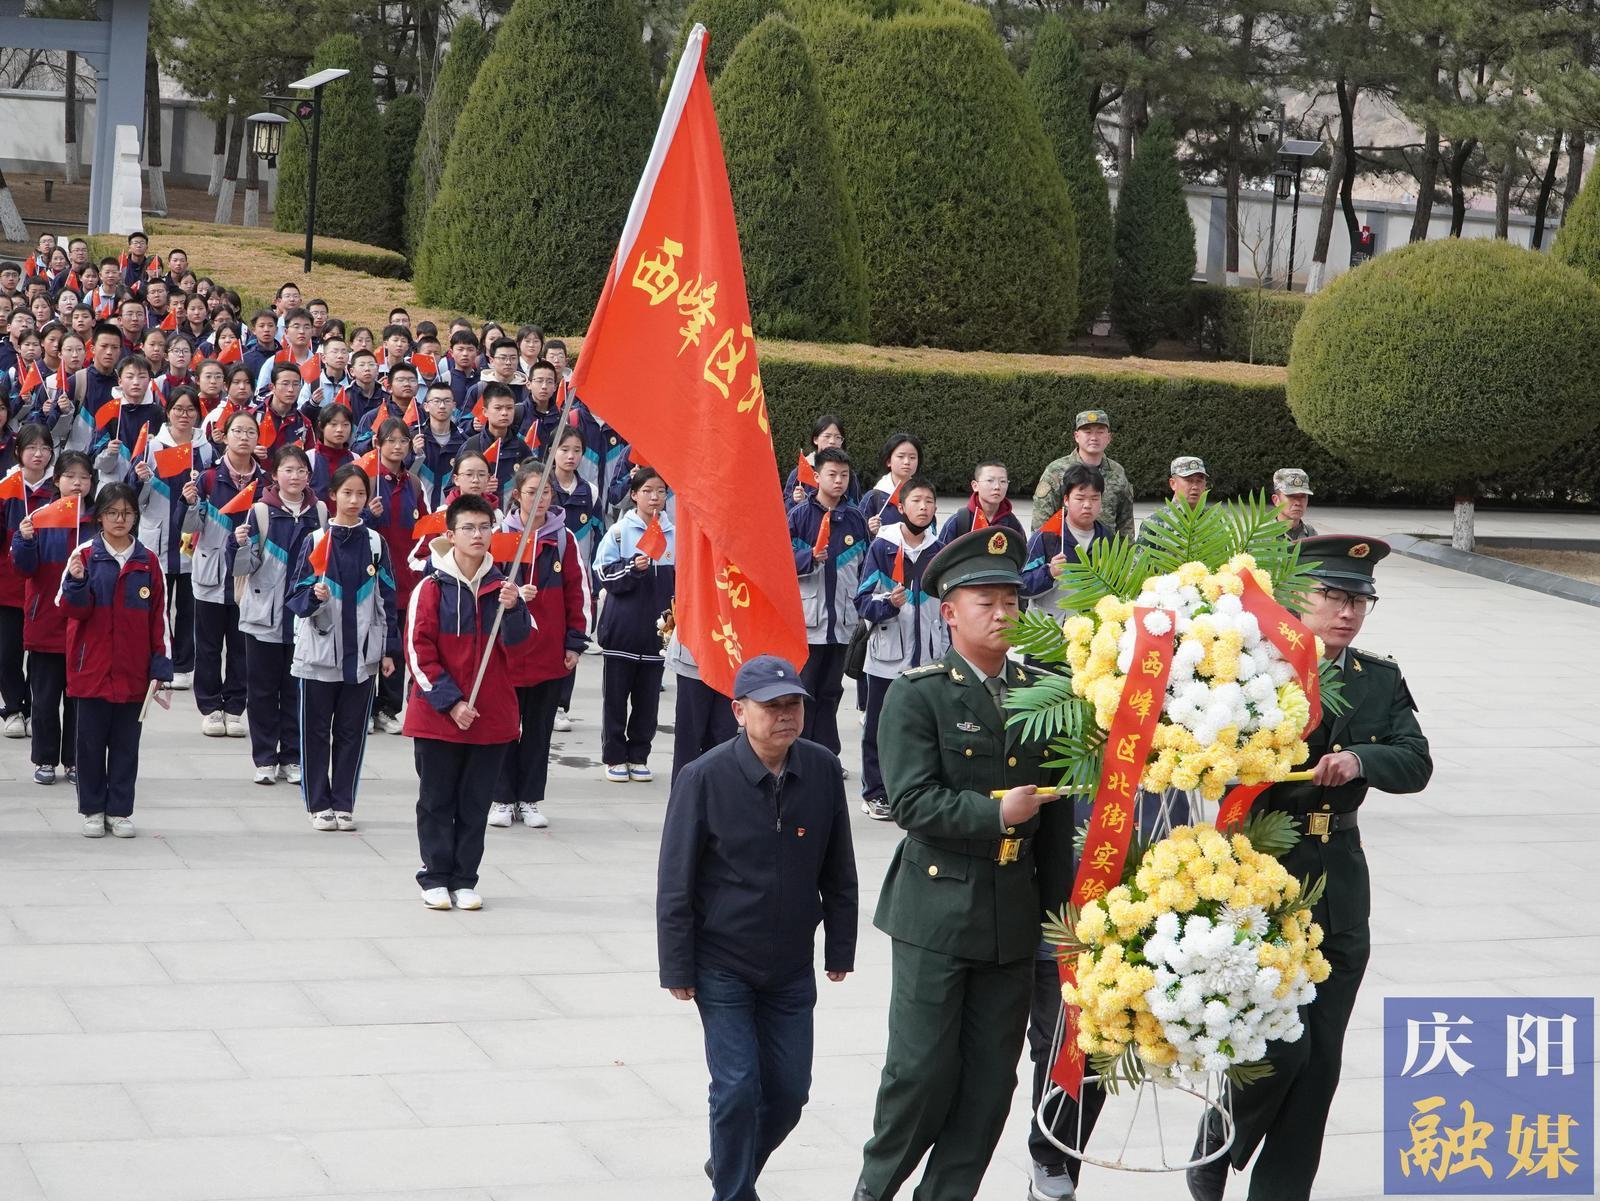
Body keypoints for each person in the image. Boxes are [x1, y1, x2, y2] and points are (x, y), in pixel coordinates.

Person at [1188, 536, 1432, 1201]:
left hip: (1341, 879)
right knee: (1279, 1045)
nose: (1346, 612)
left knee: (1321, 1060)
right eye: (1332, 596)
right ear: (1300, 598)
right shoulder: (1258, 669)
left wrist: (1360, 761)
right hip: (1269, 871)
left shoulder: (1378, 678)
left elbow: (1416, 761)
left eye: (1359, 600)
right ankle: (1221, 1136)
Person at [853, 527, 1074, 1201]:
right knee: (918, 1073)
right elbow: (912, 801)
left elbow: (1056, 820)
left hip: (1013, 916)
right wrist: (995, 813)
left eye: (1012, 600)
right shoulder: (919, 693)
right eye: (987, 601)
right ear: (949, 612)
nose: (1004, 613)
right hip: (938, 912)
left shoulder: (1045, 692)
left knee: (989, 1084)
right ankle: (874, 1191)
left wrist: (1063, 922)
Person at [657, 654, 858, 1201]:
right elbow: (675, 881)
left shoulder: (820, 769)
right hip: (722, 963)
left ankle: (729, 1162)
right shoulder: (703, 778)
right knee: (736, 1088)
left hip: (790, 966)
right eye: (772, 707)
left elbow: (839, 866)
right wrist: (676, 965)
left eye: (794, 704)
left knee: (789, 1095)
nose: (786, 716)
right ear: (739, 712)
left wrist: (840, 946)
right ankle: (734, 1190)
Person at [405, 492, 533, 910]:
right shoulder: (430, 588)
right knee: (437, 799)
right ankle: (434, 876)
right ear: (451, 534)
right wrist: (452, 702)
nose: (477, 535)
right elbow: (418, 653)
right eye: (468, 528)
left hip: (491, 716)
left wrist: (514, 611)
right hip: (439, 717)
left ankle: (465, 878)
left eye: (484, 527)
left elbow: (522, 647)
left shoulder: (505, 589)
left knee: (475, 803)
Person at [285, 464, 399, 832]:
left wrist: (389, 650)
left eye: (360, 493)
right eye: (347, 493)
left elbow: (388, 599)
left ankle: (344, 803)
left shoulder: (376, 544)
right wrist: (314, 596)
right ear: (333, 495)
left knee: (352, 732)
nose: (354, 500)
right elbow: (295, 596)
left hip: (362, 656)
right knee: (315, 732)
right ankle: (318, 804)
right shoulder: (316, 540)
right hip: (319, 655)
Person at [60, 481, 172, 838]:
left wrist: (161, 666)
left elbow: (160, 618)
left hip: (133, 673)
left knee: (126, 746)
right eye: (112, 512)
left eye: (126, 513)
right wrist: (77, 582)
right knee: (90, 745)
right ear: (100, 517)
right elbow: (68, 608)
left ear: (136, 516)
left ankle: (120, 811)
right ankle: (93, 809)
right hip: (90, 671)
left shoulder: (148, 561)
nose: (119, 519)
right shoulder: (83, 556)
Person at [489, 461, 589, 830]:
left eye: (546, 491)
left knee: (539, 731)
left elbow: (578, 593)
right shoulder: (500, 536)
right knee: (504, 728)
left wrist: (574, 642)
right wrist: (514, 594)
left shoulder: (564, 538)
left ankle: (529, 799)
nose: (540, 499)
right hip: (508, 653)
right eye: (533, 492)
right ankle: (502, 798)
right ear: (517, 495)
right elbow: (486, 586)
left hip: (548, 654)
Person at [854, 476, 947, 822]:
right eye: (916, 501)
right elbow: (862, 601)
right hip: (888, 657)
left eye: (929, 501)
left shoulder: (940, 551)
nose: (923, 507)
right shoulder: (883, 547)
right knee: (880, 727)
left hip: (929, 658)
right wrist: (888, 604)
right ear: (902, 507)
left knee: (923, 729)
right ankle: (875, 793)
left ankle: (915, 790)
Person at [235, 444, 324, 785]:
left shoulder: (320, 512)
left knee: (296, 690)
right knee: (261, 691)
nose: (295, 476)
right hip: (263, 615)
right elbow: (243, 566)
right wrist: (239, 545)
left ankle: (292, 757)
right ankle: (264, 758)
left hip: (303, 615)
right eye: (288, 470)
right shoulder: (260, 511)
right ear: (275, 475)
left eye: (301, 470)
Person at [12, 450, 97, 786]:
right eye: (70, 476)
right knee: (45, 700)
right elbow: (24, 568)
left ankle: (75, 760)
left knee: (79, 699)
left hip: (85, 625)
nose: (77, 483)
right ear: (56, 480)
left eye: (84, 477)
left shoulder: (96, 522)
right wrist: (25, 540)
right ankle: (45, 758)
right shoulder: (39, 518)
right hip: (46, 623)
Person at [184, 407, 264, 737]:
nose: (244, 437)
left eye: (250, 432)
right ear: (225, 437)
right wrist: (190, 504)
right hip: (211, 572)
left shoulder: (265, 483)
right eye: (237, 431)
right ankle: (210, 707)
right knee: (208, 646)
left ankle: (234, 707)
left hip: (247, 575)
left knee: (242, 646)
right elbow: (188, 528)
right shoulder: (207, 479)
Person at [593, 466, 675, 783]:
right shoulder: (619, 532)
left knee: (648, 701)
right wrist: (632, 567)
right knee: (615, 700)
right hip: (621, 632)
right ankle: (615, 756)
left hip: (657, 635)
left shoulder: (674, 534)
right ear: (634, 495)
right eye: (647, 491)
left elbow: (681, 583)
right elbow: (603, 573)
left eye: (660, 491)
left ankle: (639, 755)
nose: (655, 497)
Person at [789, 448, 868, 756]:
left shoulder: (855, 519)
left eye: (844, 475)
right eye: (832, 474)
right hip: (809, 623)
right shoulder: (799, 517)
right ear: (816, 477)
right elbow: (780, 561)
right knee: (804, 691)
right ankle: (799, 753)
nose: (838, 481)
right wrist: (808, 557)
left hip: (842, 623)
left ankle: (826, 756)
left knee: (831, 691)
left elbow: (865, 568)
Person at [135, 386, 210, 690]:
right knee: (158, 605)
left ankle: (183, 665)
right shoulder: (153, 447)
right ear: (168, 412)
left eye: (190, 409)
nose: (184, 415)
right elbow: (136, 497)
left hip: (191, 537)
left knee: (189, 606)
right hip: (158, 534)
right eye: (178, 409)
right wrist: (141, 478)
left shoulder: (206, 450)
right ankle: (159, 661)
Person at [365, 418, 423, 735]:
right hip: (371, 576)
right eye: (391, 440)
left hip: (404, 576)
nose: (398, 446)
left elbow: (424, 527)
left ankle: (387, 708)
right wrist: (367, 514)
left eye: (403, 441)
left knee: (396, 644)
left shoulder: (412, 483)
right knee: (368, 640)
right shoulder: (367, 478)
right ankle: (363, 707)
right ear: (378, 444)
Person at [0, 423, 54, 736]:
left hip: (44, 585)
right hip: (8, 585)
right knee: (7, 651)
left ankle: (36, 709)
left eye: (44, 448)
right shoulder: (7, 488)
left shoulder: (57, 491)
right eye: (31, 448)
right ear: (18, 452)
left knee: (41, 653)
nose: (38, 454)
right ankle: (13, 708)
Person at [1021, 463, 1113, 625]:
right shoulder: (1046, 537)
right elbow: (1021, 586)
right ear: (1066, 500)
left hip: (1093, 631)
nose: (1087, 505)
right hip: (1048, 632)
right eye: (1080, 498)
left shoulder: (1108, 540)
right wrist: (1049, 573)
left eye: (1094, 498)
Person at [1032, 409, 1135, 538]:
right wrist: (1045, 547)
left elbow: (1125, 522)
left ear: (1109, 437)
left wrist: (1127, 549)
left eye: (1100, 432)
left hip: (1106, 548)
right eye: (1087, 432)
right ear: (1076, 436)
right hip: (1067, 547)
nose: (1094, 437)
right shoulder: (1056, 471)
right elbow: (1041, 520)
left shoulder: (1117, 472)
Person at [936, 459, 1025, 544]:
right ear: (975, 486)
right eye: (990, 480)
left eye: (1003, 481)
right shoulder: (959, 521)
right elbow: (942, 554)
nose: (997, 487)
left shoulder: (1013, 523)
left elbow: (1023, 553)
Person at [783, 414, 861, 509]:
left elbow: (857, 505)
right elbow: (785, 506)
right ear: (815, 439)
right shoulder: (800, 471)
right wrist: (795, 500)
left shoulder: (849, 474)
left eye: (838, 437)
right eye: (827, 436)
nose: (832, 441)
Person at [1137, 455, 1209, 546]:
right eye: (1189, 480)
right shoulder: (1154, 523)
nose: (1195, 487)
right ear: (1173, 484)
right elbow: (1142, 555)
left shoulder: (1214, 520)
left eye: (1199, 481)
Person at [860, 432, 922, 536]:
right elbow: (855, 532)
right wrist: (869, 530)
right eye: (901, 456)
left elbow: (932, 530)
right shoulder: (873, 497)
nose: (907, 462)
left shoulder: (923, 495)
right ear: (888, 461)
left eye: (912, 457)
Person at [1272, 467, 1318, 539]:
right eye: (1291, 496)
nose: (1298, 502)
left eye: (1303, 496)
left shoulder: (1311, 534)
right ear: (1276, 500)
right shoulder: (1260, 535)